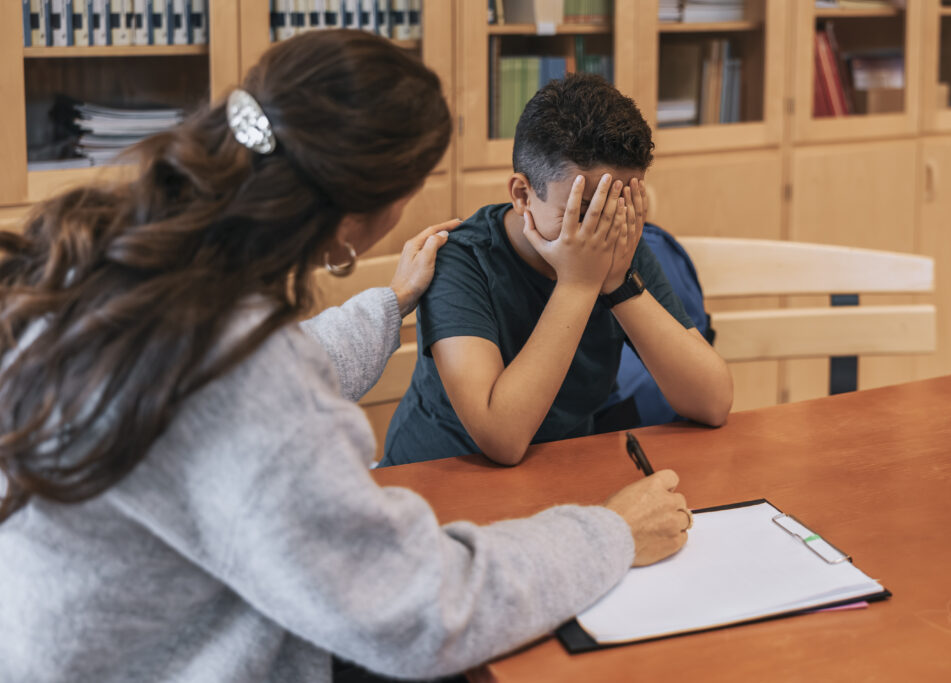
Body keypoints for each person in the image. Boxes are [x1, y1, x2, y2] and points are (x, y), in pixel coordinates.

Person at [0, 31, 693, 682]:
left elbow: (270, 371)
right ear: (356, 219)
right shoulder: (239, 372)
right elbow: (420, 607)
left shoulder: (126, 257)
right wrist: (611, 532)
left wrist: (388, 307)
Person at [382, 74, 733, 468]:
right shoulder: (461, 259)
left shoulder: (616, 247)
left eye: (622, 209)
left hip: (558, 472)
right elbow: (502, 437)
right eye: (584, 214)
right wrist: (580, 283)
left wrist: (617, 285)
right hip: (439, 479)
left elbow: (713, 403)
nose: (602, 230)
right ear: (522, 195)